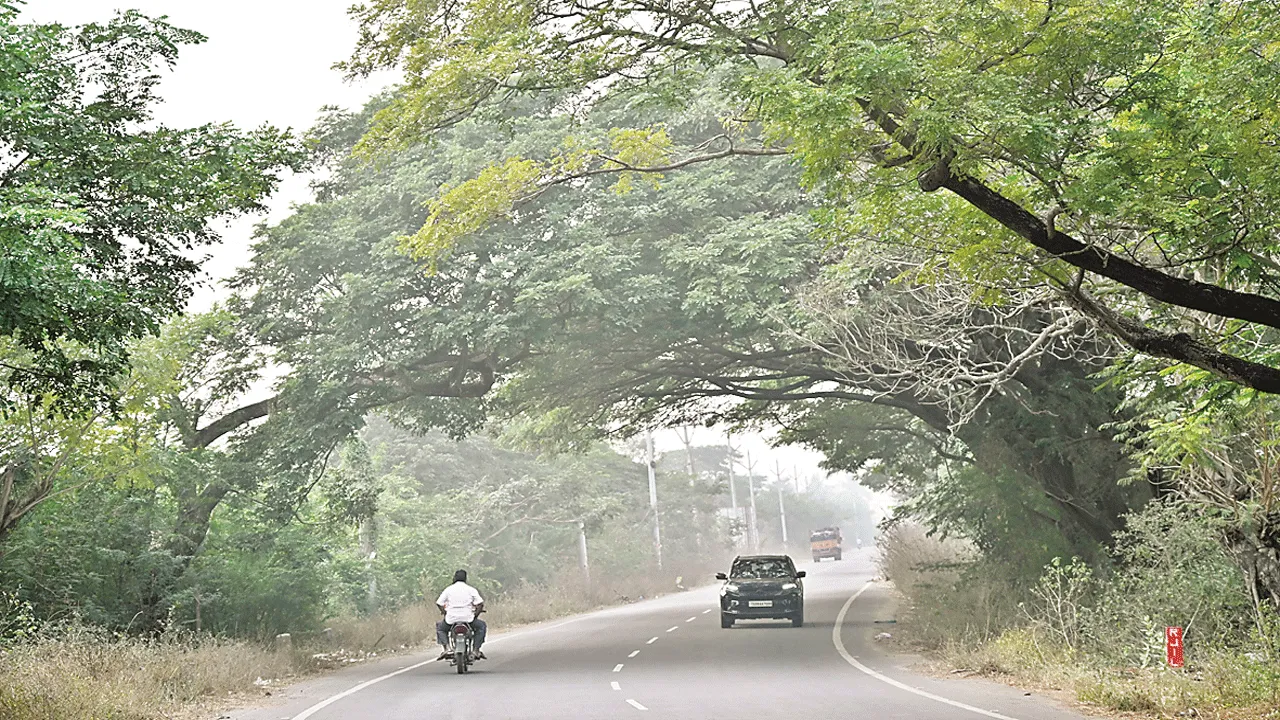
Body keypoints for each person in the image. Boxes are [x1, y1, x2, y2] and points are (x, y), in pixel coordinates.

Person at [436, 569, 487, 661]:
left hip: (451, 619)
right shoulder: (471, 589)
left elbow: (439, 603)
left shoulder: (448, 589)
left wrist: (445, 613)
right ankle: (476, 650)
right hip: (468, 619)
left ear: (454, 578)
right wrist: (475, 615)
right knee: (481, 626)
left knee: (440, 628)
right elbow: (480, 603)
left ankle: (447, 648)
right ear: (465, 578)